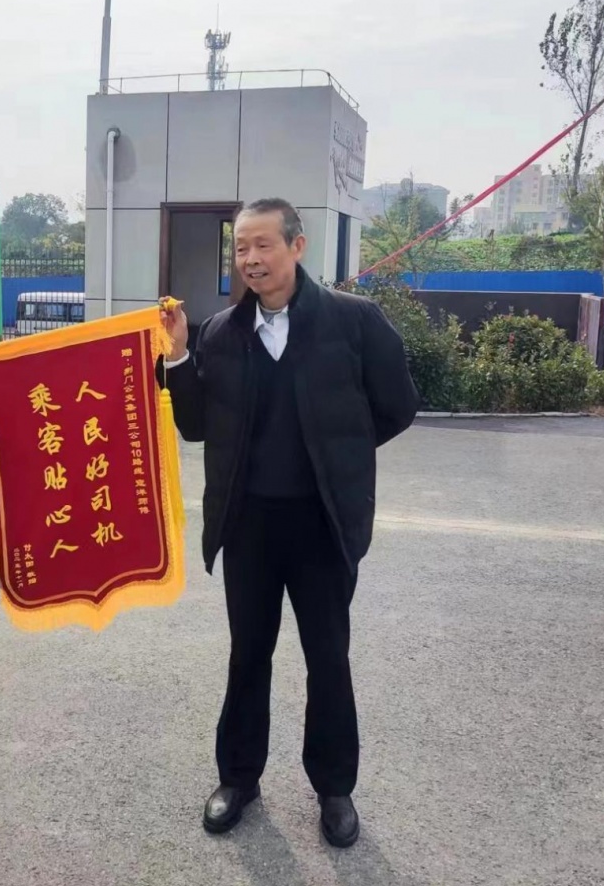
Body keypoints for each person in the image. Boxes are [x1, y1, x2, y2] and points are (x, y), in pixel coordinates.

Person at [159, 198, 419, 847]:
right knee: (248, 654)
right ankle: (238, 778)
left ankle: (334, 788)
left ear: (296, 247)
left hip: (322, 525)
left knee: (327, 656)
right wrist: (177, 356)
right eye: (241, 247)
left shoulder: (353, 321)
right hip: (247, 525)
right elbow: (194, 425)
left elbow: (397, 405)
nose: (250, 258)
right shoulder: (221, 332)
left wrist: (341, 455)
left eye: (262, 245)